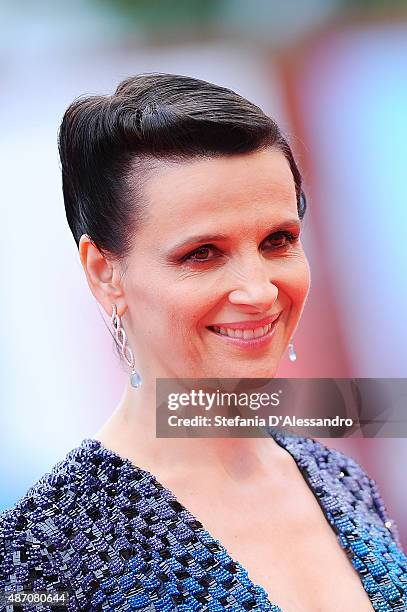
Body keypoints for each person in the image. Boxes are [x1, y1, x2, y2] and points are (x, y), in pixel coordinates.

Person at [0, 73, 406, 612]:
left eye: (277, 241)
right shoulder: (44, 552)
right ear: (105, 273)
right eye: (203, 253)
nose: (260, 291)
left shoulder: (340, 480)